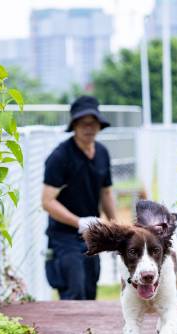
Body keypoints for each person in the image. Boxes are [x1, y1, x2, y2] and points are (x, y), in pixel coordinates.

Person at [41, 95, 117, 300]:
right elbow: (47, 201)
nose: (89, 128)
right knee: (74, 290)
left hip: (91, 234)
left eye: (94, 123)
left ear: (100, 125)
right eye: (84, 123)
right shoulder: (60, 157)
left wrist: (115, 228)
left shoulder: (102, 153)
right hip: (64, 237)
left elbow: (106, 191)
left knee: (90, 288)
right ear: (74, 125)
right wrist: (78, 222)